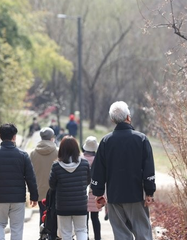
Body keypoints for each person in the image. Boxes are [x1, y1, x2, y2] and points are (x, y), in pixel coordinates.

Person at [91, 101, 156, 240]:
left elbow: (98, 170)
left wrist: (98, 194)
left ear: (112, 120)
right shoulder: (141, 139)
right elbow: (149, 169)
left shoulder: (106, 141)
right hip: (136, 195)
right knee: (142, 232)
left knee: (121, 235)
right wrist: (149, 192)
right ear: (128, 117)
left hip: (114, 196)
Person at [0, 123, 38, 240]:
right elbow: (30, 178)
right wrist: (34, 196)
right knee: (16, 228)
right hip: (18, 199)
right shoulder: (23, 155)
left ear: (0, 136)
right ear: (14, 137)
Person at [49, 136, 91, 240]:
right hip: (80, 204)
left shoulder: (56, 166)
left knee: (65, 232)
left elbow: (52, 185)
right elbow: (88, 181)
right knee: (81, 230)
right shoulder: (84, 163)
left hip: (63, 205)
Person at [29, 127, 58, 226]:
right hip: (55, 190)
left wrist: (31, 191)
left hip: (40, 190)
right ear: (52, 138)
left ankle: (42, 234)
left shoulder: (33, 153)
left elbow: (30, 173)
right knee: (55, 214)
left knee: (43, 213)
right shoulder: (58, 152)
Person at [83, 136, 101, 240]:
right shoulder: (98, 160)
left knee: (84, 219)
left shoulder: (81, 158)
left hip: (83, 192)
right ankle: (98, 238)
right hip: (95, 192)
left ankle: (86, 237)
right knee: (95, 218)